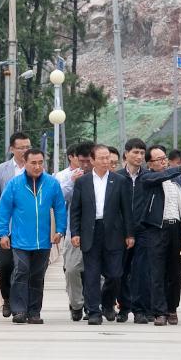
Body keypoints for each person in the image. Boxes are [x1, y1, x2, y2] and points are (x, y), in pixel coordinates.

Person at [133, 145, 181, 324]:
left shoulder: (176, 180)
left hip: (176, 230)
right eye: (158, 159)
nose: (163, 161)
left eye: (164, 158)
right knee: (157, 271)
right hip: (155, 229)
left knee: (176, 272)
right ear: (150, 163)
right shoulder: (147, 178)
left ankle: (171, 308)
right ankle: (159, 312)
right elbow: (162, 176)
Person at [0, 148, 67, 324]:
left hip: (43, 241)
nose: (37, 166)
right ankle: (19, 310)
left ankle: (34, 311)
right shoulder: (14, 184)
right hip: (20, 240)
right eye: (33, 163)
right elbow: (3, 210)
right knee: (21, 271)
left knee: (37, 275)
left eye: (40, 163)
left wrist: (60, 230)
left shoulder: (52, 184)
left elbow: (59, 207)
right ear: (25, 163)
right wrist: (3, 233)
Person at [69, 144, 135, 325]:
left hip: (114, 232)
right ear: (92, 160)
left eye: (108, 158)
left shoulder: (119, 180)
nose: (106, 161)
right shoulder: (83, 182)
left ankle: (107, 303)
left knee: (115, 274)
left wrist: (130, 234)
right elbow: (76, 210)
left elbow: (126, 210)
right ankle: (93, 311)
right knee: (91, 274)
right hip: (90, 231)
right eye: (102, 158)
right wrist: (75, 232)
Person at [0, 132, 32, 317]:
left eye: (27, 147)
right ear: (12, 149)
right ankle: (7, 298)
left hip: (29, 227)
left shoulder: (35, 169)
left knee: (25, 267)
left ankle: (22, 303)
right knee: (5, 265)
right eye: (21, 148)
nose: (25, 151)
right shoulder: (1, 170)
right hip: (7, 227)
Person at [55, 142, 94, 321]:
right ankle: (76, 303)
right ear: (75, 159)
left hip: (98, 231)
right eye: (82, 161)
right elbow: (58, 199)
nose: (85, 165)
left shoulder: (102, 177)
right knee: (71, 269)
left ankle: (92, 304)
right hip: (74, 230)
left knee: (96, 271)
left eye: (88, 161)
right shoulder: (66, 176)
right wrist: (72, 182)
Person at [114, 137, 148, 322]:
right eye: (135, 152)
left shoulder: (148, 177)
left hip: (143, 230)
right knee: (121, 271)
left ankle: (140, 309)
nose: (139, 156)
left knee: (141, 271)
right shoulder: (117, 177)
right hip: (121, 231)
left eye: (142, 153)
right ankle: (124, 307)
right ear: (126, 154)